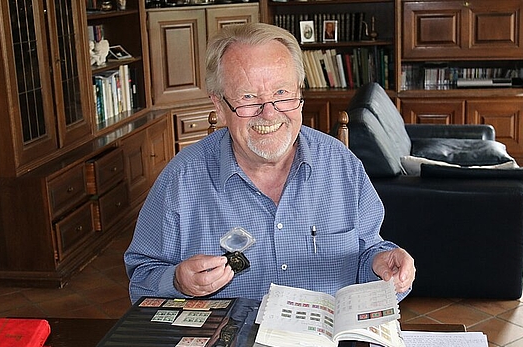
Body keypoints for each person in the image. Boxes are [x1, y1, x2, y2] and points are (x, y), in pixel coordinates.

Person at [124, 23, 415, 304]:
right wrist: (177, 281)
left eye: (281, 94)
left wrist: (383, 264)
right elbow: (141, 278)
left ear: (300, 93)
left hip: (327, 343)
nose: (270, 114)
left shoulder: (341, 166)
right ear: (219, 107)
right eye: (249, 98)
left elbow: (369, 252)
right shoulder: (181, 180)